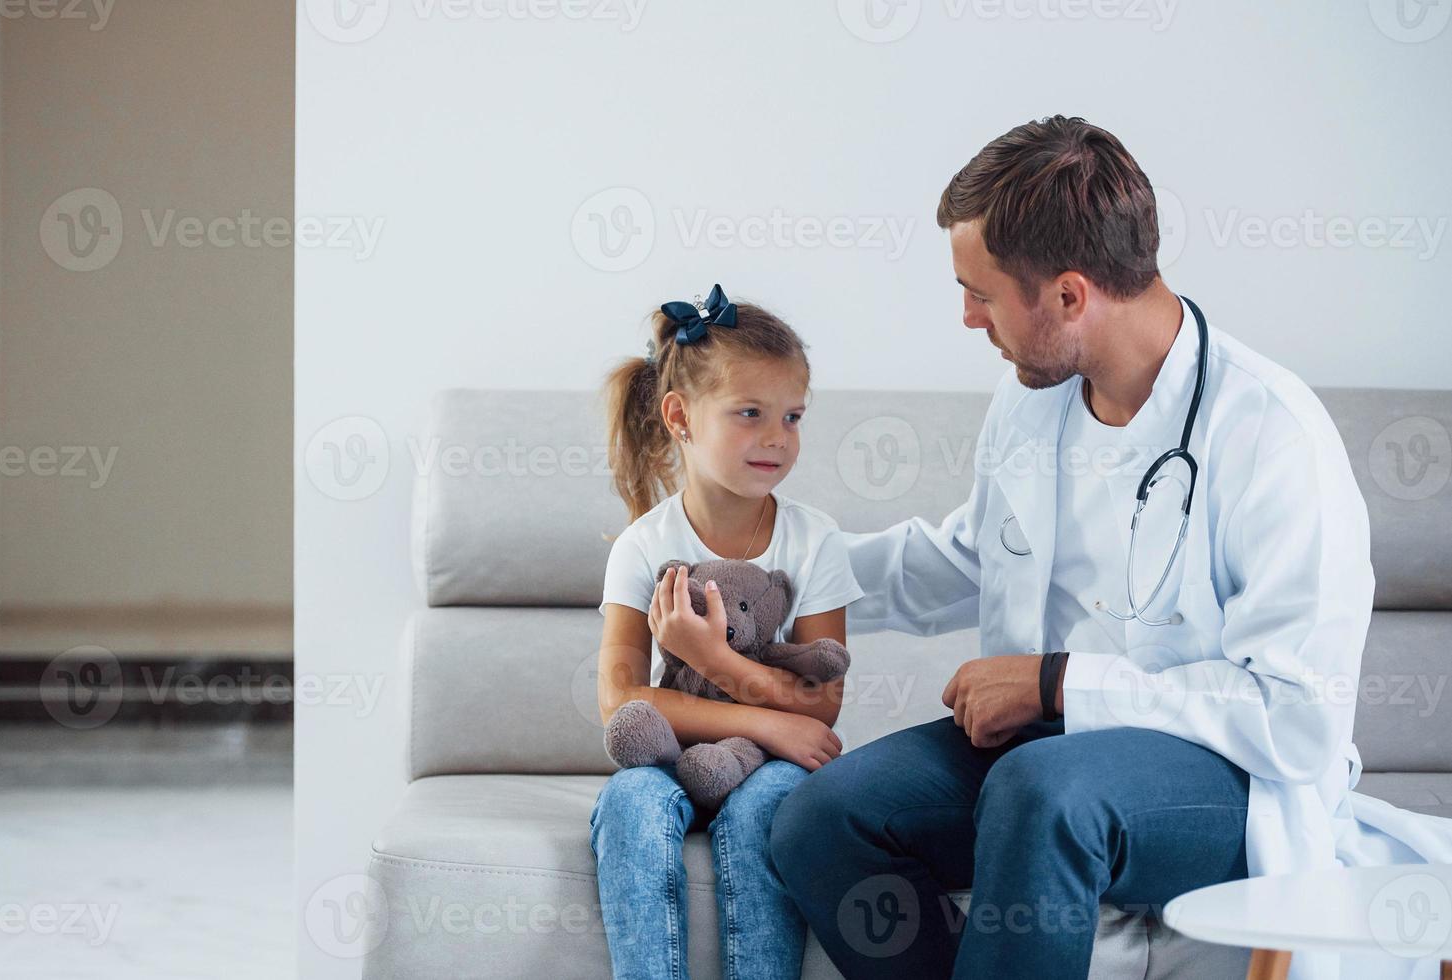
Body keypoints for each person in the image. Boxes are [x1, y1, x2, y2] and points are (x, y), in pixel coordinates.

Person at [769, 115, 1452, 980]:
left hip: (1220, 783)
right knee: (822, 818)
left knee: (1042, 792)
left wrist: (1058, 681)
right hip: (1045, 753)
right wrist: (783, 570)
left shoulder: (1270, 435)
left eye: (980, 292)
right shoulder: (1032, 399)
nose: (967, 316)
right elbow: (971, 555)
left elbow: (1297, 719)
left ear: (1067, 294)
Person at [589, 284, 865, 979]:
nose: (776, 437)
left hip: (766, 771)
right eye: (749, 413)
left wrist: (709, 656)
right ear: (680, 416)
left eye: (792, 416)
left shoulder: (814, 541)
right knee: (630, 801)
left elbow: (820, 705)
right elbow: (618, 702)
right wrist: (768, 722)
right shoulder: (642, 547)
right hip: (668, 753)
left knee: (766, 810)